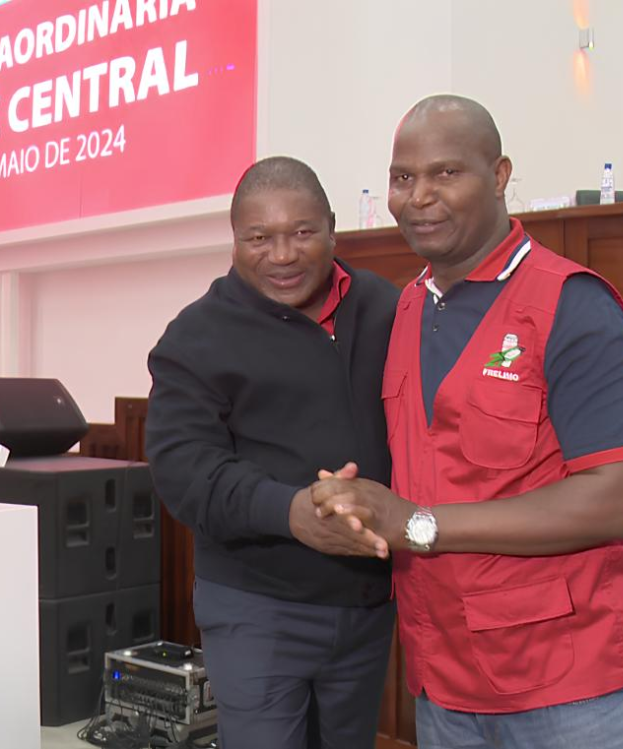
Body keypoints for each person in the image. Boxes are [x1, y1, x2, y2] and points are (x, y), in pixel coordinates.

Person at [311, 96, 623, 749]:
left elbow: (619, 497)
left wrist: (416, 523)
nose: (419, 196)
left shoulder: (570, 302)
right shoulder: (407, 307)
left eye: (446, 173)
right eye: (403, 177)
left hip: (568, 687)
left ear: (499, 175)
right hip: (444, 683)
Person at [145, 156, 399, 749]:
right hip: (256, 607)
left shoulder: (387, 308)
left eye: (302, 233)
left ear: (333, 228)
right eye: (259, 238)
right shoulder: (195, 337)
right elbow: (185, 471)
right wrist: (292, 513)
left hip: (368, 605)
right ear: (235, 240)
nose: (282, 255)